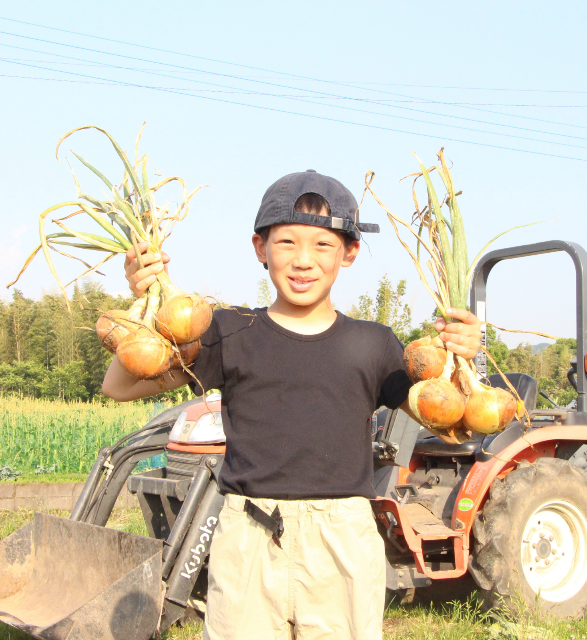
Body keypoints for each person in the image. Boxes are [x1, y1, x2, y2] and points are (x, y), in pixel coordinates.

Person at [102, 169, 482, 640]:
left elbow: (453, 427)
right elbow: (122, 386)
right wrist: (141, 311)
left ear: (349, 252)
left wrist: (467, 360)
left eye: (323, 245)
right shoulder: (229, 331)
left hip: (343, 538)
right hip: (249, 536)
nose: (304, 260)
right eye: (286, 243)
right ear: (261, 249)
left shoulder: (375, 344)